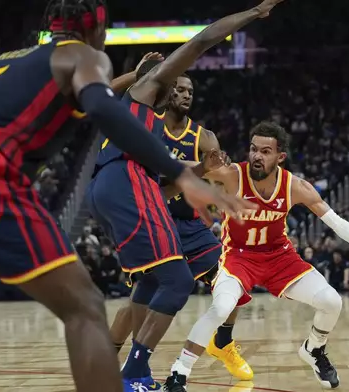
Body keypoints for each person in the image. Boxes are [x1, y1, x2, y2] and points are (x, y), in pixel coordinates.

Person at [0, 0, 254, 391]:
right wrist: (179, 171)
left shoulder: (8, 60)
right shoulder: (85, 56)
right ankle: (134, 373)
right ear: (97, 29)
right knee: (85, 306)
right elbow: (101, 106)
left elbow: (92, 96)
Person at [85, 1, 284, 390]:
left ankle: (211, 344)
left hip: (125, 193)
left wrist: (206, 173)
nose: (182, 90)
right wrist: (254, 13)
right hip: (129, 187)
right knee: (174, 281)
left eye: (187, 88)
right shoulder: (143, 95)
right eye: (176, 83)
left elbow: (178, 179)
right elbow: (204, 39)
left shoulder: (164, 126)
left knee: (162, 283)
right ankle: (133, 374)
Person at [163, 121, 349, 391]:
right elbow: (180, 168)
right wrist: (160, 156)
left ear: (280, 157)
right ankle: (178, 373)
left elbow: (336, 223)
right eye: (253, 149)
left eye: (265, 151)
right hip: (238, 257)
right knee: (220, 308)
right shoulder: (232, 175)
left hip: (279, 258)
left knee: (332, 301)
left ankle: (313, 349)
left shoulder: (295, 186)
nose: (256, 156)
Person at [107, 74, 252, 382]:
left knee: (234, 280)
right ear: (166, 92)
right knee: (139, 301)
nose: (187, 95)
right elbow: (154, 170)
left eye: (190, 91)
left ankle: (222, 342)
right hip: (152, 222)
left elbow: (219, 175)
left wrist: (225, 176)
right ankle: (109, 357)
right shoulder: (147, 126)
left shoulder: (204, 137)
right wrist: (195, 169)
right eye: (180, 89)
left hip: (189, 225)